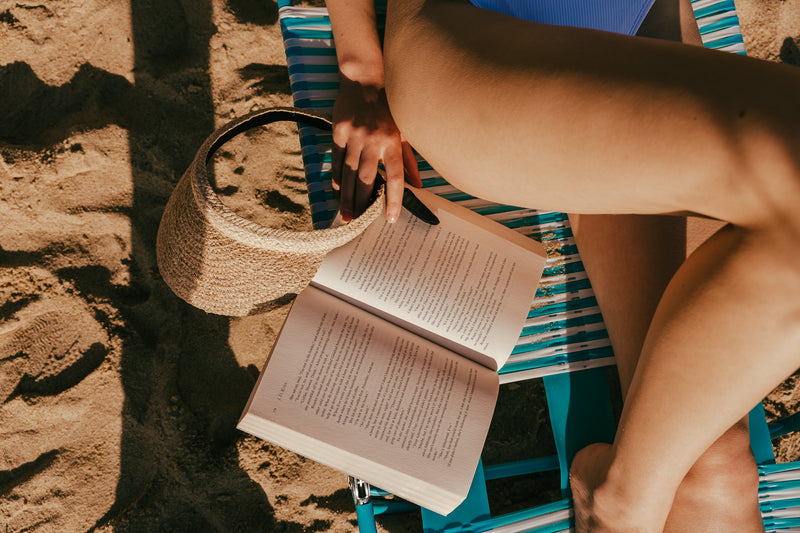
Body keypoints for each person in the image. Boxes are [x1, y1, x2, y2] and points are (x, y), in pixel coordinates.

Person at [327, 0, 800, 531]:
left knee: (715, 472)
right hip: (477, 39)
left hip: (640, 20)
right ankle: (620, 507)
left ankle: (621, 503)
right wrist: (362, 74)